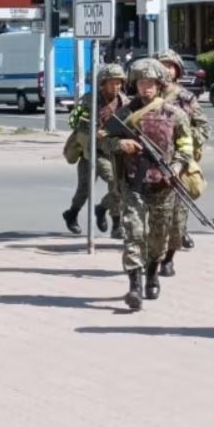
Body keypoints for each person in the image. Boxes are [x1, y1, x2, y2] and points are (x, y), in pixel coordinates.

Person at [106, 58, 194, 310]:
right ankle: (134, 285)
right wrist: (119, 144)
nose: (146, 88)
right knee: (134, 233)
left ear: (159, 85)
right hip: (133, 185)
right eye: (142, 83)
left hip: (163, 185)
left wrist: (177, 166)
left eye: (151, 83)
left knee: (158, 238)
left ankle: (152, 273)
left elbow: (186, 146)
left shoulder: (174, 114)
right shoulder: (124, 114)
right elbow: (104, 140)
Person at [155, 49, 211, 275]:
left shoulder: (185, 98)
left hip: (180, 162)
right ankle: (151, 260)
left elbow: (204, 127)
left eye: (171, 66)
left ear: (177, 70)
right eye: (162, 65)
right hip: (152, 165)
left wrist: (184, 139)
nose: (167, 70)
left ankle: (168, 258)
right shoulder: (146, 97)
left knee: (178, 219)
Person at [62, 63, 129, 238]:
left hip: (114, 152)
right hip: (92, 151)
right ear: (102, 83)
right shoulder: (89, 100)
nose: (115, 87)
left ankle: (115, 222)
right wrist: (93, 131)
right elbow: (75, 122)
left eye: (118, 83)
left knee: (116, 184)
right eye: (111, 83)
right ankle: (72, 214)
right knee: (84, 190)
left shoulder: (125, 102)